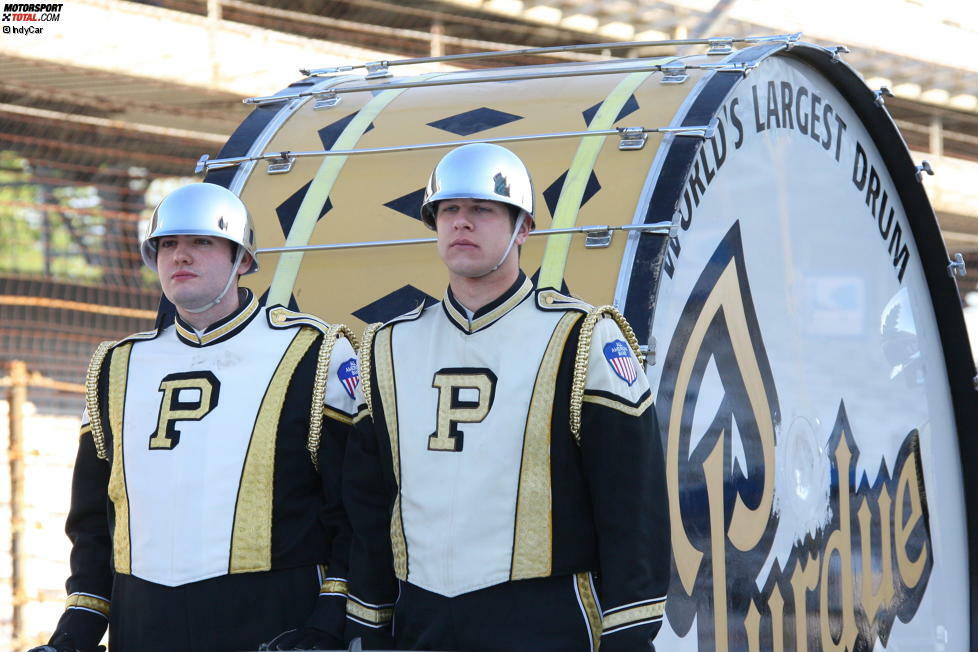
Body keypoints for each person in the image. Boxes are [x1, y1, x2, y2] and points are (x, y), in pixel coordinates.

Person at [344, 143, 670, 651]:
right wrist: (368, 617)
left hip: (545, 618)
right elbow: (369, 500)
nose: (461, 223)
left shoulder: (581, 335)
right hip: (421, 616)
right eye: (448, 210)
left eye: (482, 210)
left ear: (523, 228)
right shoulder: (387, 344)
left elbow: (632, 497)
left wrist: (630, 629)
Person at [32, 183, 361, 652]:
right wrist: (77, 629)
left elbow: (354, 509)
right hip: (143, 620)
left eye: (201, 242)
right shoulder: (115, 365)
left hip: (274, 621)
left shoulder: (314, 350)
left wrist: (331, 618)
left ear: (243, 259)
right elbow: (93, 519)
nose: (180, 256)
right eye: (167, 244)